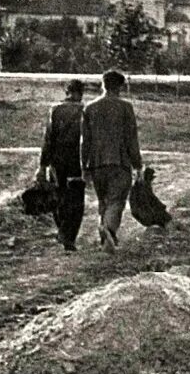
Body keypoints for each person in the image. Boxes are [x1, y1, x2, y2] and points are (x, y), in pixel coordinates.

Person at [81, 69, 143, 253]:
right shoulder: (125, 108)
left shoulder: (90, 108)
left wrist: (84, 166)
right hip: (120, 161)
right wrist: (138, 165)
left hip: (97, 163)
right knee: (116, 201)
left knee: (103, 200)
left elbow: (85, 141)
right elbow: (132, 139)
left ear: (103, 85)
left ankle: (104, 233)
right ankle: (108, 230)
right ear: (120, 87)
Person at [37, 79, 86, 250]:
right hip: (77, 160)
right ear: (81, 93)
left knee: (59, 196)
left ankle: (62, 231)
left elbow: (48, 140)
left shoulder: (55, 110)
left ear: (67, 92)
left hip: (57, 161)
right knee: (77, 199)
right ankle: (68, 236)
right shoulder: (85, 111)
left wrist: (42, 165)